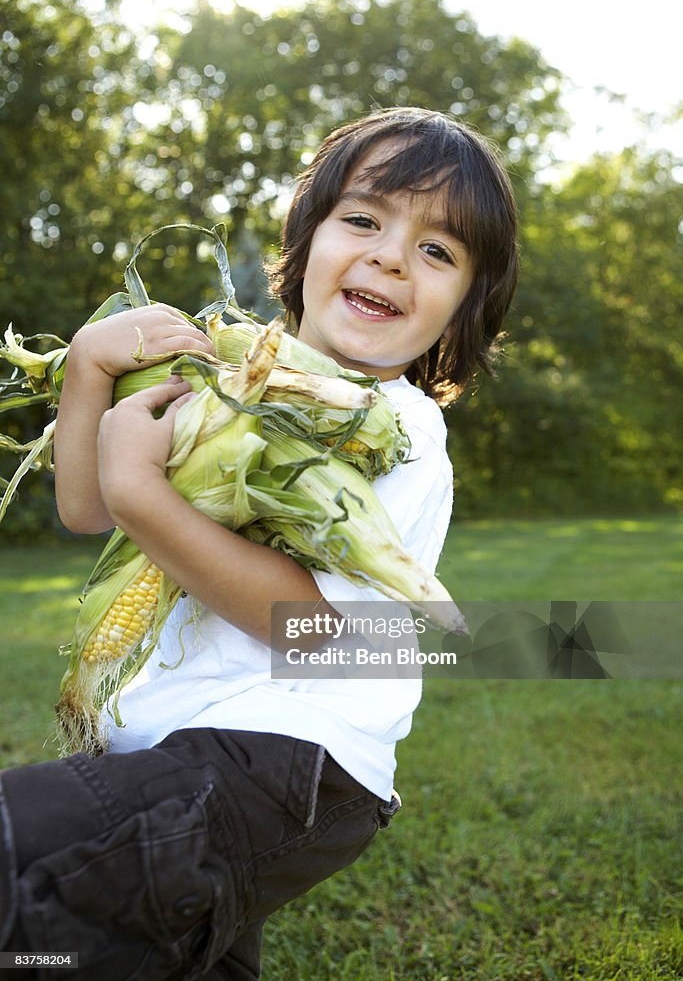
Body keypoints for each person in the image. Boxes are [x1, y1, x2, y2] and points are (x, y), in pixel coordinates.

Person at [0, 106, 518, 979]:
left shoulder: (392, 425)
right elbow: (89, 509)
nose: (392, 255)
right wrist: (90, 369)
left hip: (280, 761)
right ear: (306, 241)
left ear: (462, 308)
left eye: (437, 252)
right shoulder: (229, 380)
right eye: (363, 219)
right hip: (184, 752)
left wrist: (144, 492)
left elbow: (321, 634)